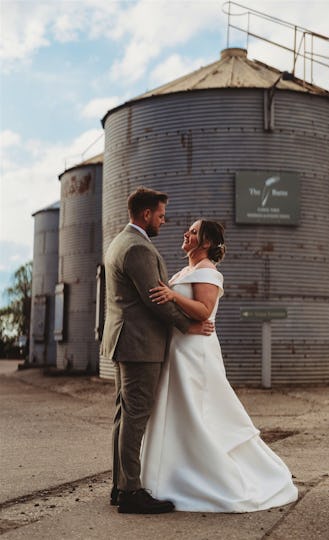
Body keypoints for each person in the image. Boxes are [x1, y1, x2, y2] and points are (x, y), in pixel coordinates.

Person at [141, 219, 298, 512]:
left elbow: (204, 311)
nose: (186, 234)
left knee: (199, 410)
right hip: (177, 348)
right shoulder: (185, 271)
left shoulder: (208, 272)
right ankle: (171, 474)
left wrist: (173, 295)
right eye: (188, 230)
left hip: (195, 351)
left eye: (193, 232)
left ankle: (212, 474)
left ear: (207, 243)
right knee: (175, 411)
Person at [100, 187, 214, 515]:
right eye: (161, 215)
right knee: (136, 415)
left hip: (124, 339)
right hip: (140, 344)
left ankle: (120, 485)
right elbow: (156, 299)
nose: (163, 222)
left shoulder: (118, 242)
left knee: (124, 414)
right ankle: (131, 492)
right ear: (146, 214)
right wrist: (188, 326)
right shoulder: (137, 247)